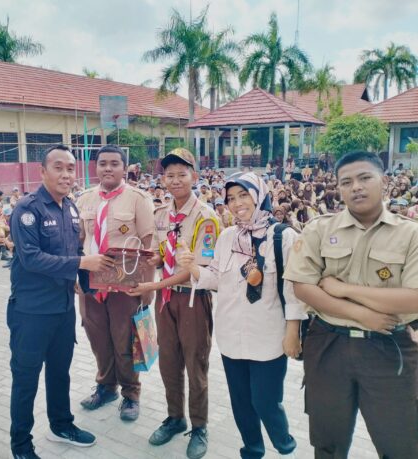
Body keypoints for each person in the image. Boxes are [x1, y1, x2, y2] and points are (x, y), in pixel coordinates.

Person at [284, 151, 418, 458]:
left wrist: (341, 288)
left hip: (389, 348)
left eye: (365, 178)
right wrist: (360, 313)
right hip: (329, 343)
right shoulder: (319, 228)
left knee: (400, 443)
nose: (356, 186)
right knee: (328, 441)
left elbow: (414, 297)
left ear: (384, 181)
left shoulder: (411, 234)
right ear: (339, 188)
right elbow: (303, 286)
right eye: (346, 181)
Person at [178, 171, 304, 459]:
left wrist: (292, 333)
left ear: (260, 196)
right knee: (241, 402)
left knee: (266, 400)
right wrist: (191, 266)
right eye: (231, 198)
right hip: (231, 336)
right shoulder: (227, 237)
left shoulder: (283, 237)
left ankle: (283, 441)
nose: (236, 204)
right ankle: (252, 449)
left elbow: (295, 290)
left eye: (243, 195)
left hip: (269, 337)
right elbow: (214, 278)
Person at [7, 144, 114, 459]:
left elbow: (75, 254)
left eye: (71, 168)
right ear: (42, 172)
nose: (67, 174)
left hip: (63, 309)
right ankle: (21, 446)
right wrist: (83, 265)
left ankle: (61, 425)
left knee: (59, 372)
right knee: (26, 378)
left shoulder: (70, 208)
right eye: (59, 167)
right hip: (31, 312)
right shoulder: (28, 210)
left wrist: (93, 285)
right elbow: (31, 259)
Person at [126, 148, 219, 459]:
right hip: (165, 302)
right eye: (169, 175)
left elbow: (195, 271)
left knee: (196, 365)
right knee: (169, 363)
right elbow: (164, 254)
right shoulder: (162, 214)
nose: (175, 180)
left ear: (194, 175)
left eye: (182, 173)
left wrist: (153, 284)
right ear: (162, 179)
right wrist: (153, 260)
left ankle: (200, 426)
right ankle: (175, 417)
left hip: (192, 299)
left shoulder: (207, 216)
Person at [76, 144, 155, 421]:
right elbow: (78, 242)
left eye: (114, 164)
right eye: (102, 164)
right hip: (89, 283)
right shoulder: (84, 199)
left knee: (126, 338)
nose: (107, 168)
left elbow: (149, 244)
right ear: (95, 167)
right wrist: (75, 277)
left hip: (125, 283)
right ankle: (105, 387)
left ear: (124, 168)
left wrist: (147, 289)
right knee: (97, 337)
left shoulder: (138, 199)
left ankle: (131, 394)